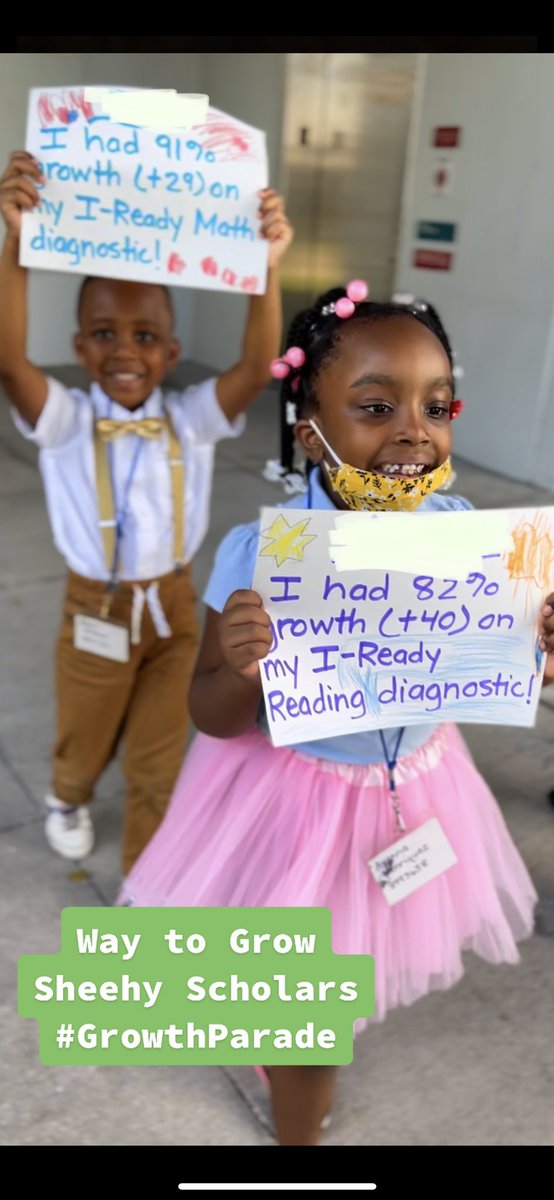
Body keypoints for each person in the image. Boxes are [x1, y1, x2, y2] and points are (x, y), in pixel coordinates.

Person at [117, 280, 554, 1144]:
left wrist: (537, 644)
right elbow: (210, 712)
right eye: (376, 405)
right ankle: (299, 1136)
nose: (413, 431)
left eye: (437, 404)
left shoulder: (465, 532)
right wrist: (244, 668)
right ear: (308, 425)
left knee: (338, 983)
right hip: (292, 803)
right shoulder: (261, 553)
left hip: (416, 792)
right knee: (308, 1008)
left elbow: (494, 667)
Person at [0, 149, 293, 873]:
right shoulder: (65, 419)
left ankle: (146, 883)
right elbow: (9, 363)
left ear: (171, 351)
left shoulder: (189, 418)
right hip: (94, 606)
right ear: (77, 346)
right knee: (85, 729)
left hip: (173, 610)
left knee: (161, 753)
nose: (123, 350)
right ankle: (69, 793)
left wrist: (266, 264)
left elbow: (257, 370)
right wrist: (16, 244)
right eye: (104, 333)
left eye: (143, 337)